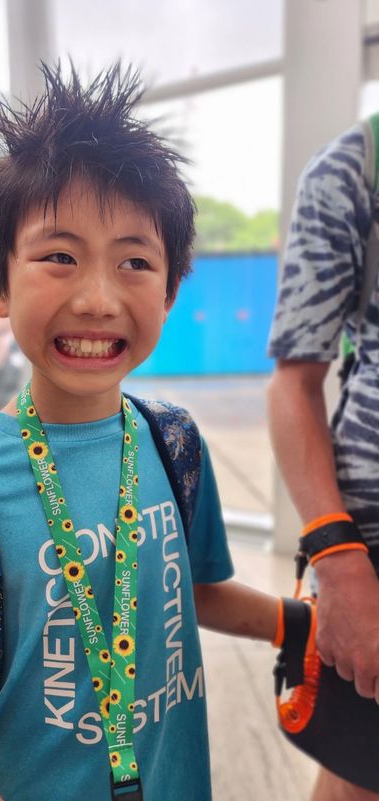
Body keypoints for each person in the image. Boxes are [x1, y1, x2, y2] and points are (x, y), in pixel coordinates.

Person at [0, 63, 287, 801]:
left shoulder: (174, 445)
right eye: (59, 256)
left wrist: (300, 624)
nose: (98, 298)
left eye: (135, 261)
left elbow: (191, 590)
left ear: (169, 290)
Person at [268, 121, 379, 800]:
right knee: (359, 776)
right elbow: (294, 381)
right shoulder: (357, 167)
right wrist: (339, 569)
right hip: (371, 555)